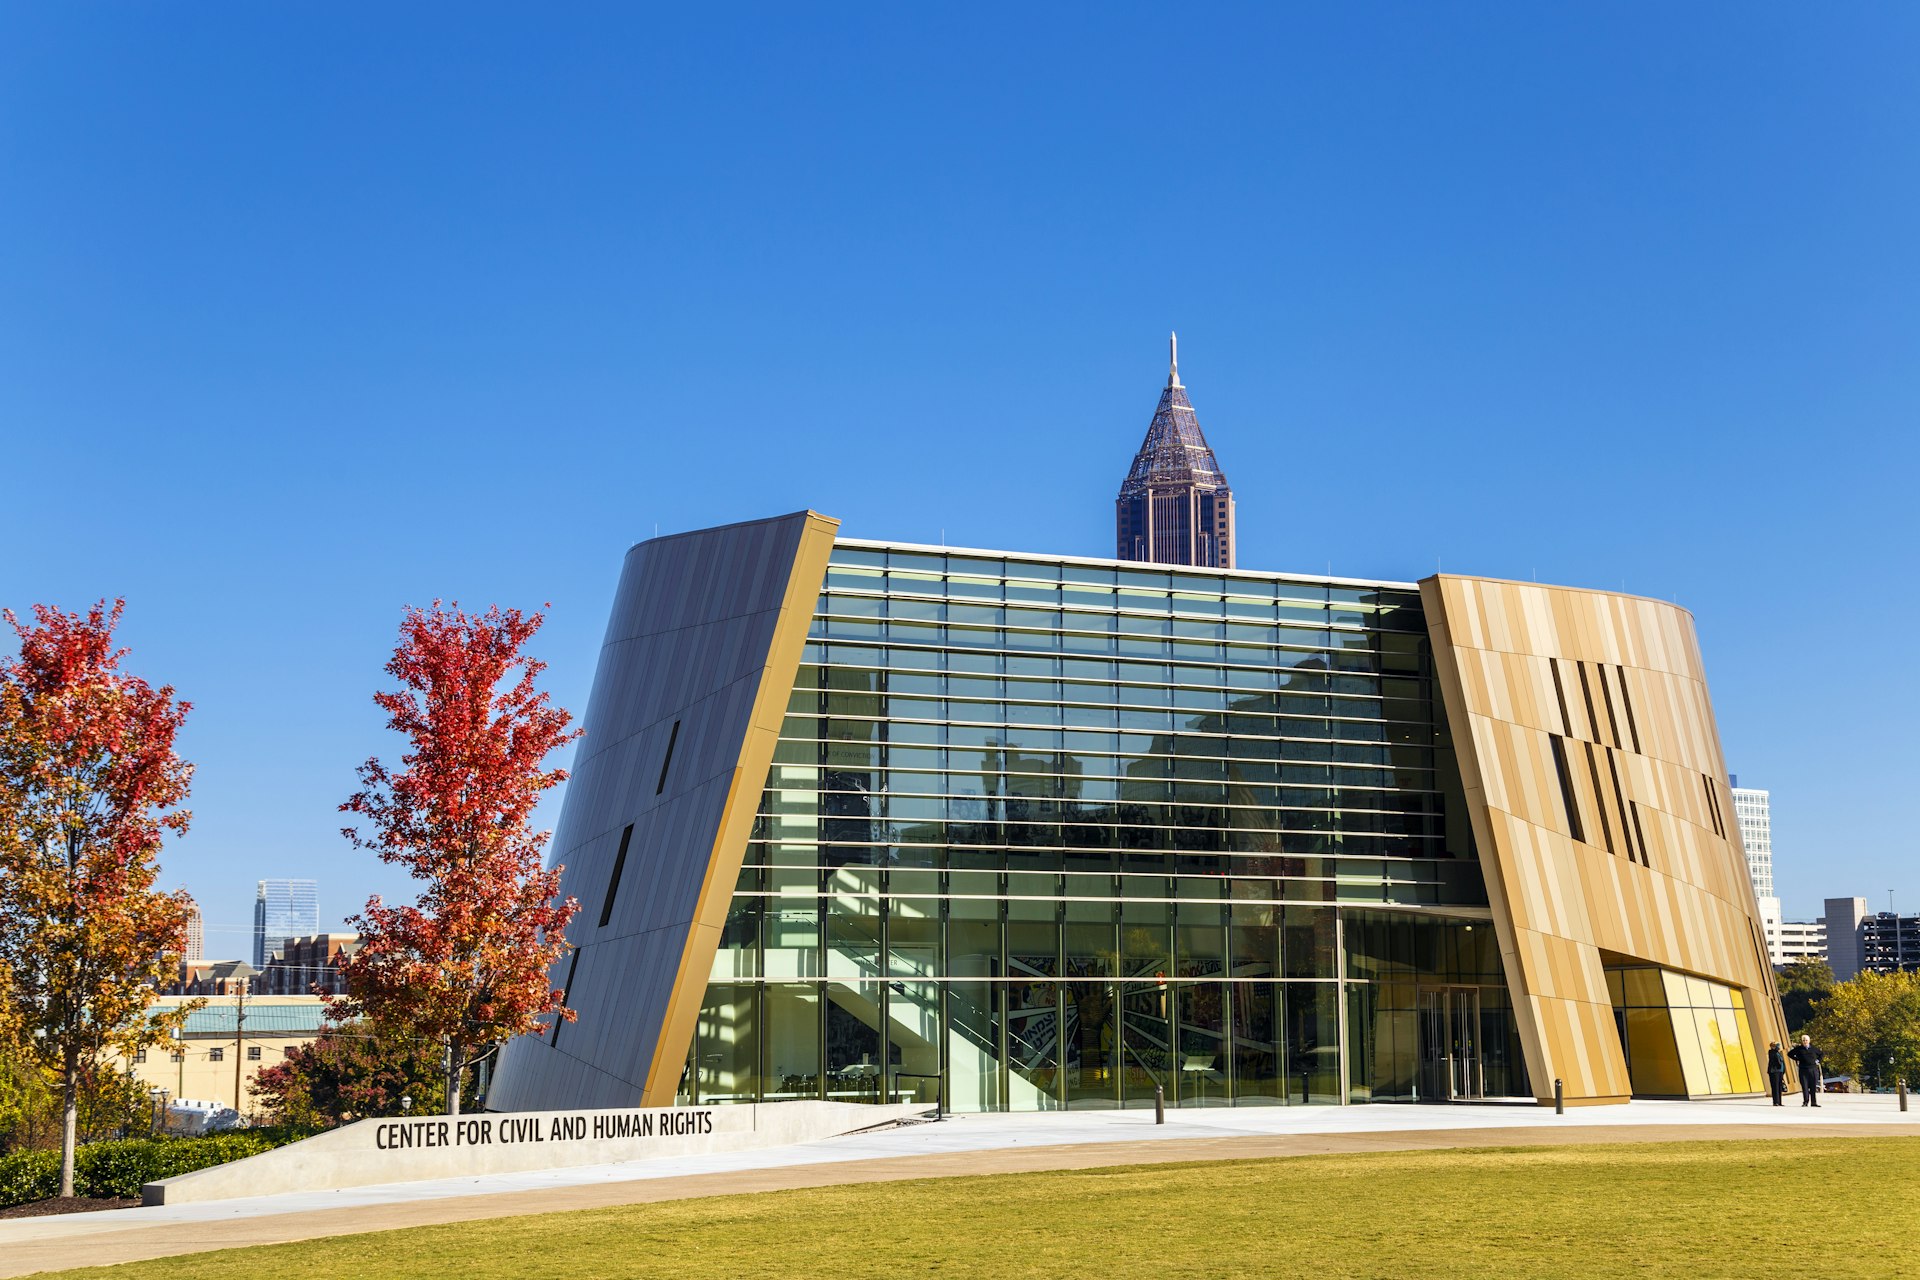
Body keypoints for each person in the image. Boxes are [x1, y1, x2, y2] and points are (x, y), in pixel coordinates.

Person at [1786, 1034, 1824, 1107]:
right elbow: (1789, 1054)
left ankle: (1814, 1102)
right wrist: (1797, 1059)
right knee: (1805, 1086)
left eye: (1806, 1040)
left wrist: (1818, 1061)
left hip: (1813, 1069)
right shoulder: (1799, 1049)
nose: (1805, 1042)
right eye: (1803, 1040)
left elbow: (1821, 1054)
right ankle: (1805, 1102)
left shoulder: (1814, 1048)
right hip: (1803, 1070)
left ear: (1809, 1041)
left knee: (1813, 1087)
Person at [1766, 1042, 1787, 1107]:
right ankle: (1775, 1102)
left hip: (1780, 1072)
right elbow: (1775, 1060)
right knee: (1775, 1087)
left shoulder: (1778, 1053)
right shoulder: (1772, 1052)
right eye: (1777, 1046)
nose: (1778, 1047)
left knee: (1779, 1087)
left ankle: (1779, 1101)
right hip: (1774, 1072)